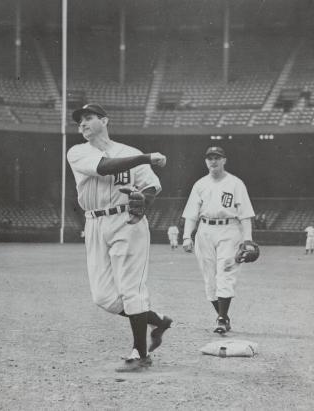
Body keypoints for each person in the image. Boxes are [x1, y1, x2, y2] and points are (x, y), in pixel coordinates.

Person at [67, 103, 172, 372]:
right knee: (103, 297)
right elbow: (105, 167)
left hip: (127, 220)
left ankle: (140, 353)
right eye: (79, 121)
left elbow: (151, 185)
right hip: (94, 222)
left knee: (131, 289)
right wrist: (146, 157)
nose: (82, 124)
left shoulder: (129, 150)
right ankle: (157, 320)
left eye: (88, 118)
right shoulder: (78, 151)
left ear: (105, 120)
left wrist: (143, 199)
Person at [182, 146, 256, 334]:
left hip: (229, 229)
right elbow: (191, 213)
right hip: (205, 230)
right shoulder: (200, 184)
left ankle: (221, 318)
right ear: (206, 161)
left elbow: (245, 214)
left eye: (217, 157)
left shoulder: (235, 183)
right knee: (210, 279)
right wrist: (186, 236)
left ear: (224, 160)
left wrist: (247, 239)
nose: (213, 161)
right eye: (209, 158)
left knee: (225, 273)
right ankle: (223, 315)